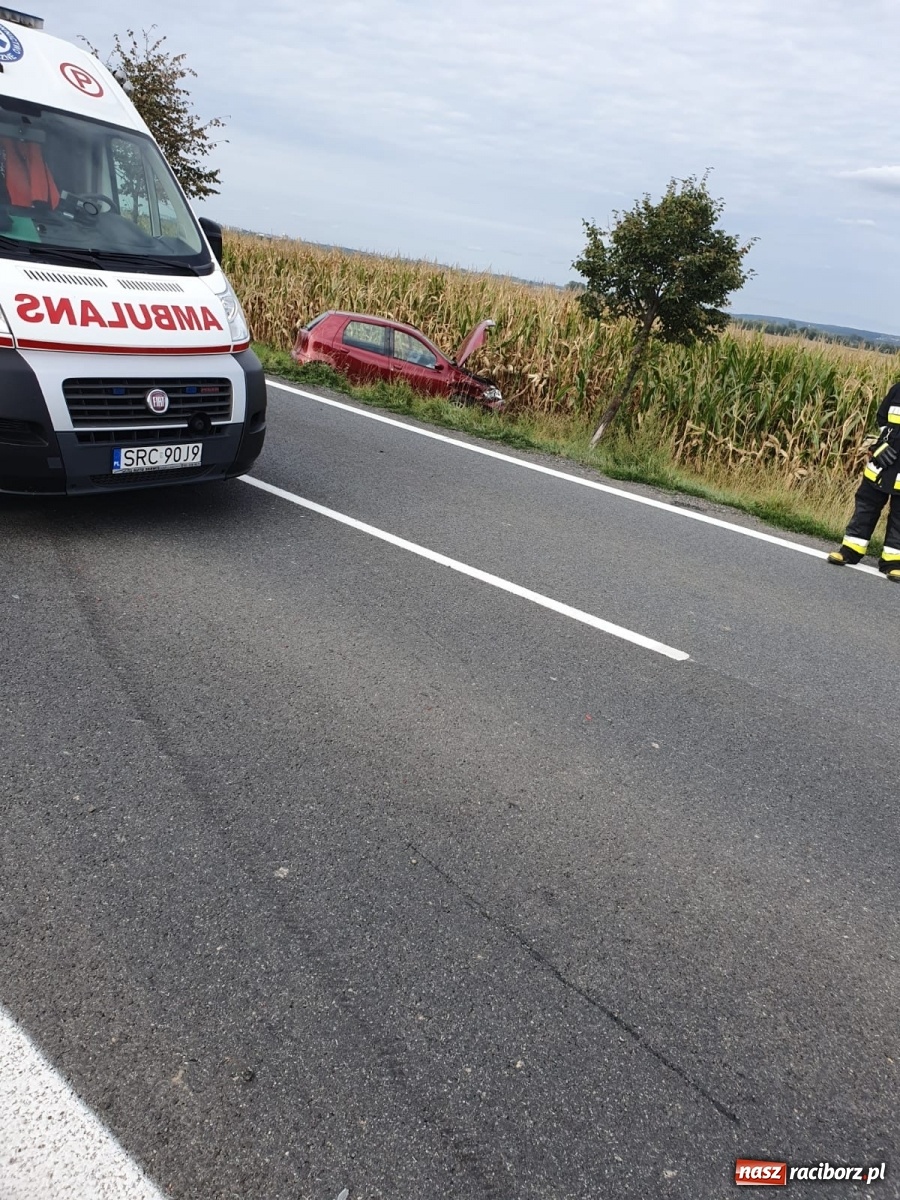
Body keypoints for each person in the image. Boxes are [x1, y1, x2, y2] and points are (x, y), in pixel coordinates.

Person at [827, 381, 900, 580]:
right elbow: (883, 419)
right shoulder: (897, 389)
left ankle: (893, 563)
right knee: (865, 508)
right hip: (883, 463)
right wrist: (880, 445)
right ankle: (849, 551)